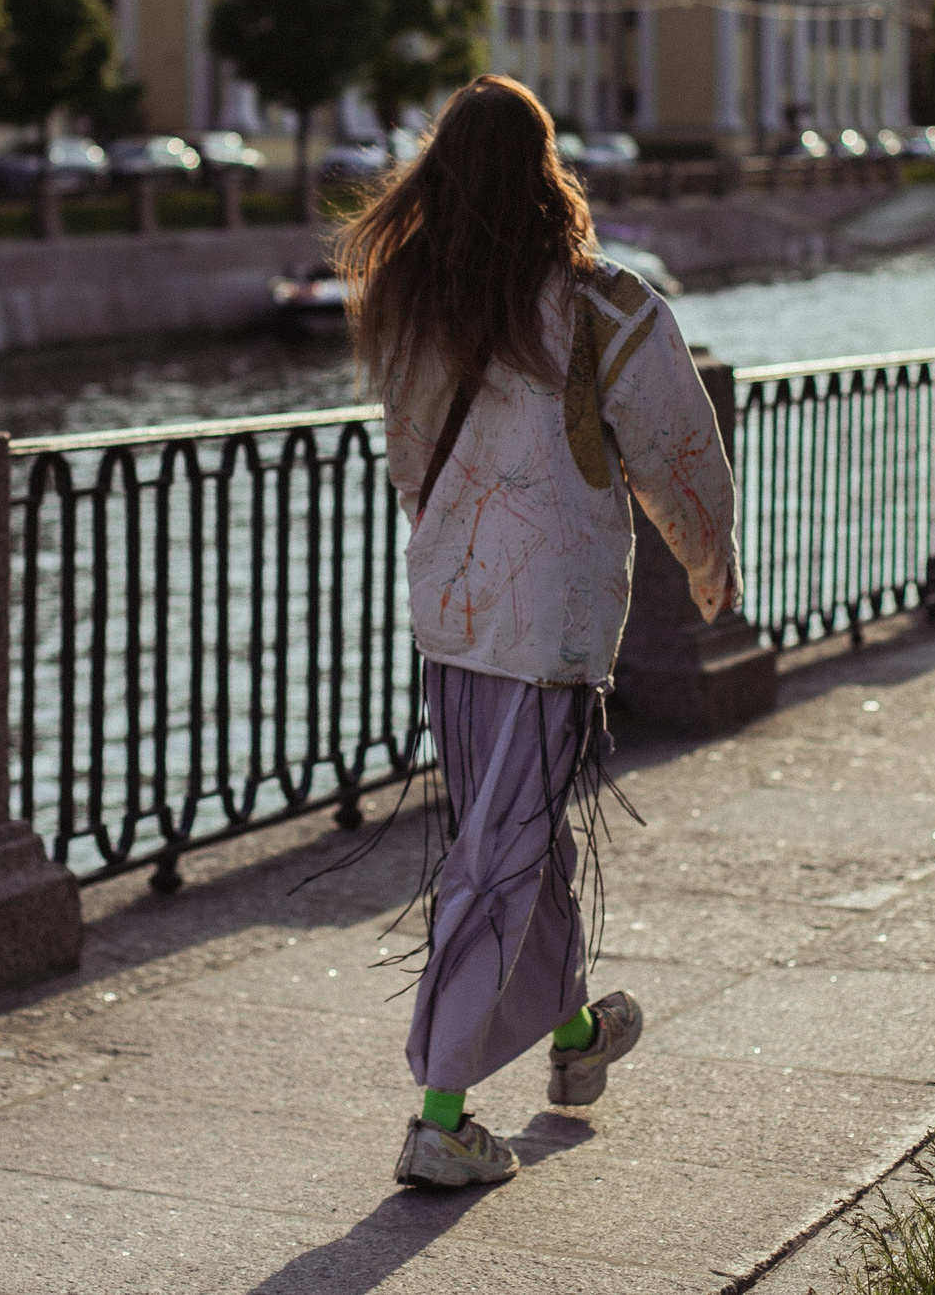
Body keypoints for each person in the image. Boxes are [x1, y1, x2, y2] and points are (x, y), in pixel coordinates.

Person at [333, 76, 743, 1189]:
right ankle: (440, 1112)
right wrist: (710, 566)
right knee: (499, 850)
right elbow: (677, 452)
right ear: (545, 170)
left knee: (513, 830)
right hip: (548, 621)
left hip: (454, 614)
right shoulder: (604, 305)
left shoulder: (408, 305)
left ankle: (571, 1038)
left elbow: (410, 467)